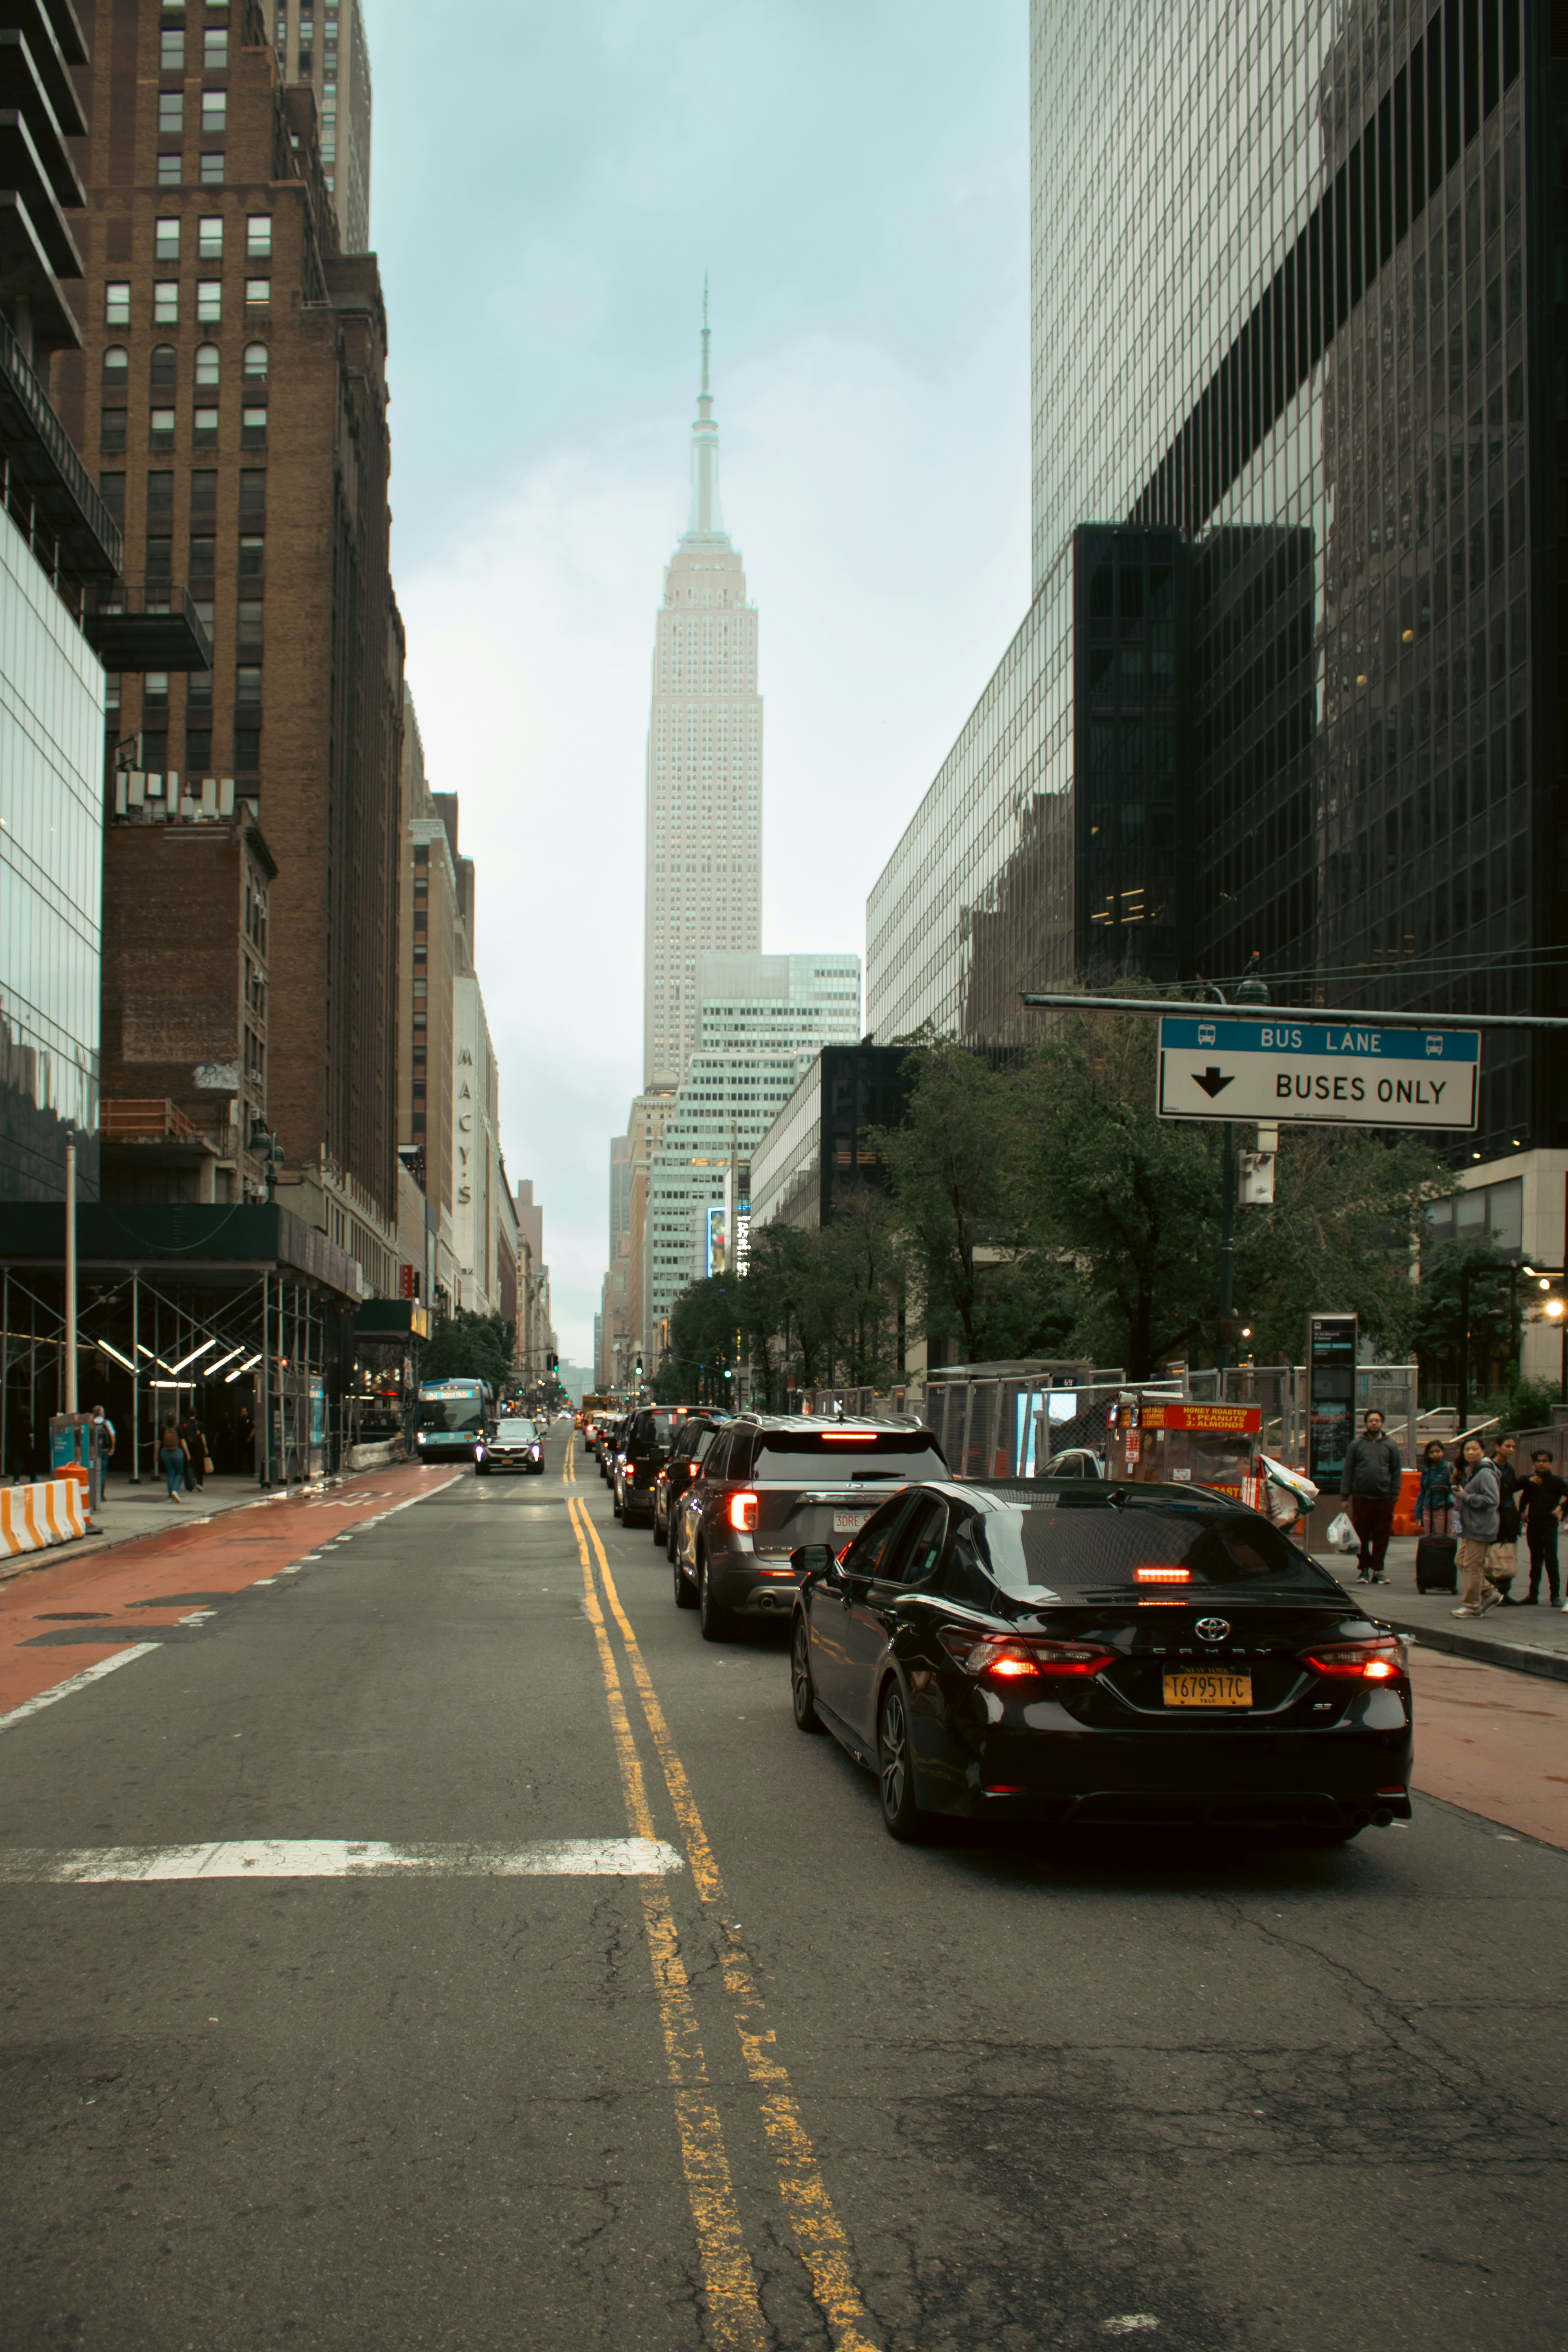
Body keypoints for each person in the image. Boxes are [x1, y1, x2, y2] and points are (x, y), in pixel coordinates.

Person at [1338, 1408, 1403, 1584]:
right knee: (1361, 1535)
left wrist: (1394, 1495)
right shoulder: (1356, 1445)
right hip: (1361, 1497)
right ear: (1365, 1424)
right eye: (1371, 1421)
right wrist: (1345, 1497)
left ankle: (1378, 1570)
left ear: (1382, 1424)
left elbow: (1397, 1471)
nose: (1374, 1423)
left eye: (1377, 1421)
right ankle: (1364, 1570)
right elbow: (1348, 1471)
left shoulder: (1391, 1445)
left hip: (1385, 1498)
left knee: (1382, 1535)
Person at [1452, 1436, 1504, 1616]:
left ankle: (1472, 1605)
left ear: (1483, 1451)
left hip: (1481, 1526)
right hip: (1470, 1525)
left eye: (1475, 1449)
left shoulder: (1485, 1473)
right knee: (1461, 1561)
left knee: (1473, 1565)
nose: (1471, 1453)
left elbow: (1492, 1500)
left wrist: (1465, 1496)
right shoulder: (1471, 1470)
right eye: (1467, 1450)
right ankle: (1489, 1592)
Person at [1518, 1448, 1566, 1608]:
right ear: (1534, 1464)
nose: (1541, 1464)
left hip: (1550, 1527)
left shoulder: (1557, 1481)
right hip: (1534, 1526)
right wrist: (1522, 1512)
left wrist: (1561, 1508)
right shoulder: (1532, 1481)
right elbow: (1524, 1498)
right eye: (1538, 1461)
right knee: (1535, 1561)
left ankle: (1555, 1596)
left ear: (1551, 1463)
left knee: (1551, 1561)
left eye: (1545, 1461)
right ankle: (1533, 1595)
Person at [1487, 1434, 1522, 1602]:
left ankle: (1504, 1592)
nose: (1511, 1450)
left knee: (1508, 1553)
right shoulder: (1489, 1467)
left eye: (1513, 1447)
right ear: (1497, 1447)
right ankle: (1491, 1591)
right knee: (1492, 1553)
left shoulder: (1509, 1468)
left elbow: (1512, 1487)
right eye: (1508, 1446)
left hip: (1509, 1516)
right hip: (1494, 1516)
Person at [1416, 1438, 1455, 1537]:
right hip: (1428, 1508)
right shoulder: (1426, 1469)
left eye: (1438, 1451)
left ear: (1443, 1452)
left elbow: (1455, 1490)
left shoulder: (1449, 1467)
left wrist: (1447, 1503)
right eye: (1432, 1452)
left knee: (1442, 1537)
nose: (1435, 1454)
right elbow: (1423, 1491)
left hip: (1443, 1508)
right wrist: (1418, 1512)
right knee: (1429, 1538)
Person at [158, 1418, 188, 1501]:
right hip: (177, 1452)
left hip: (166, 1452)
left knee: (170, 1472)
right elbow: (182, 1441)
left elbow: (158, 1442)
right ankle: (175, 1490)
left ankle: (171, 1494)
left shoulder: (162, 1427)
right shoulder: (178, 1427)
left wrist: (156, 1454)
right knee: (180, 1473)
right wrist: (187, 1454)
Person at [178, 1406, 207, 1493]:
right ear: (196, 1414)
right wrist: (205, 1447)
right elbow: (202, 1436)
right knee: (199, 1465)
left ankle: (190, 1484)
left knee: (189, 1466)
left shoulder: (184, 1424)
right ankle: (200, 1483)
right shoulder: (199, 1424)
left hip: (187, 1447)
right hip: (198, 1447)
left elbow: (182, 1438)